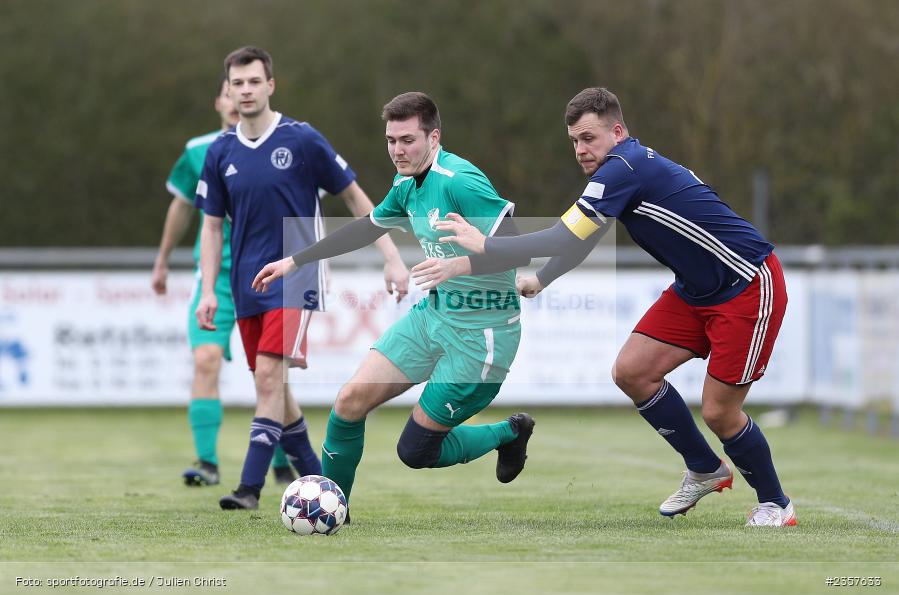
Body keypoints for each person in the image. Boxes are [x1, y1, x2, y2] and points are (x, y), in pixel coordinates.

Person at [433, 87, 796, 527]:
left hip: (747, 284)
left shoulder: (623, 168)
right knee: (632, 371)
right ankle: (705, 468)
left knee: (719, 411)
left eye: (589, 137)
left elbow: (561, 237)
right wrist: (542, 279)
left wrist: (484, 243)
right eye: (574, 141)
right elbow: (583, 236)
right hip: (695, 291)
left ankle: (776, 503)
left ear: (618, 131)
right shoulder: (622, 170)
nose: (581, 149)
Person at [252, 92, 535, 512]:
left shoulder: (461, 181)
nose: (398, 150)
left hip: (482, 334)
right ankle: (330, 509)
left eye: (408, 140)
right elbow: (367, 228)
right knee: (349, 401)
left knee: (416, 451)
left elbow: (518, 251)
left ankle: (508, 433)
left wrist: (460, 266)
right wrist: (295, 260)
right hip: (433, 316)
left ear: (433, 137)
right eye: (391, 140)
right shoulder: (405, 183)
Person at [195, 47, 409, 510]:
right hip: (247, 283)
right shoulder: (220, 151)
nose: (246, 90)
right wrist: (208, 290)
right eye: (238, 83)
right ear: (228, 91)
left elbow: (356, 199)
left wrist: (391, 256)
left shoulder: (303, 139)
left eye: (255, 81)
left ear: (271, 86)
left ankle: (249, 488)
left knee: (270, 377)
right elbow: (212, 228)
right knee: (276, 391)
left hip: (299, 274)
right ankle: (322, 486)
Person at [151, 75, 297, 487]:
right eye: (231, 90)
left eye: (247, 88)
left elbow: (305, 208)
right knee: (205, 359)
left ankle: (282, 462)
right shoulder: (200, 151)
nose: (238, 97)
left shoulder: (286, 145)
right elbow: (181, 208)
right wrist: (162, 261)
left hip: (270, 278)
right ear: (220, 101)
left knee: (271, 375)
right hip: (216, 280)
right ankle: (207, 462)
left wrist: (304, 268)